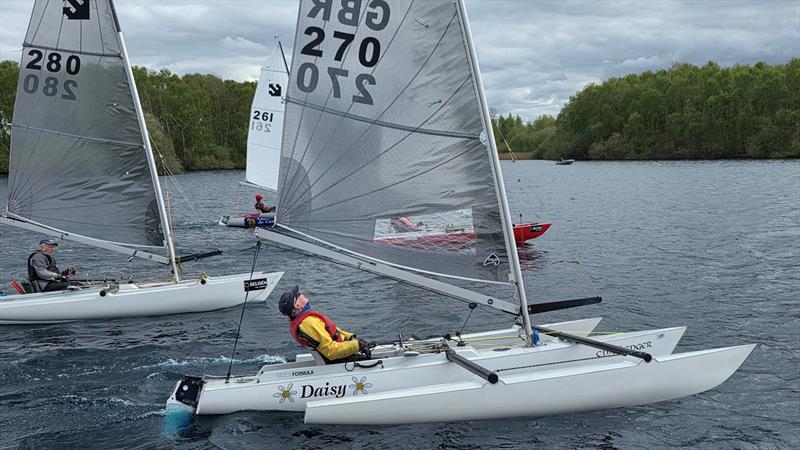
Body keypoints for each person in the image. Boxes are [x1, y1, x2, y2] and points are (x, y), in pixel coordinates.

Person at [278, 285, 371, 364]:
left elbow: (332, 330)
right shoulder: (308, 324)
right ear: (297, 306)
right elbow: (330, 351)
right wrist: (357, 345)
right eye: (298, 295)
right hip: (340, 360)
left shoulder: (307, 319)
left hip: (342, 351)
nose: (301, 294)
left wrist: (350, 338)